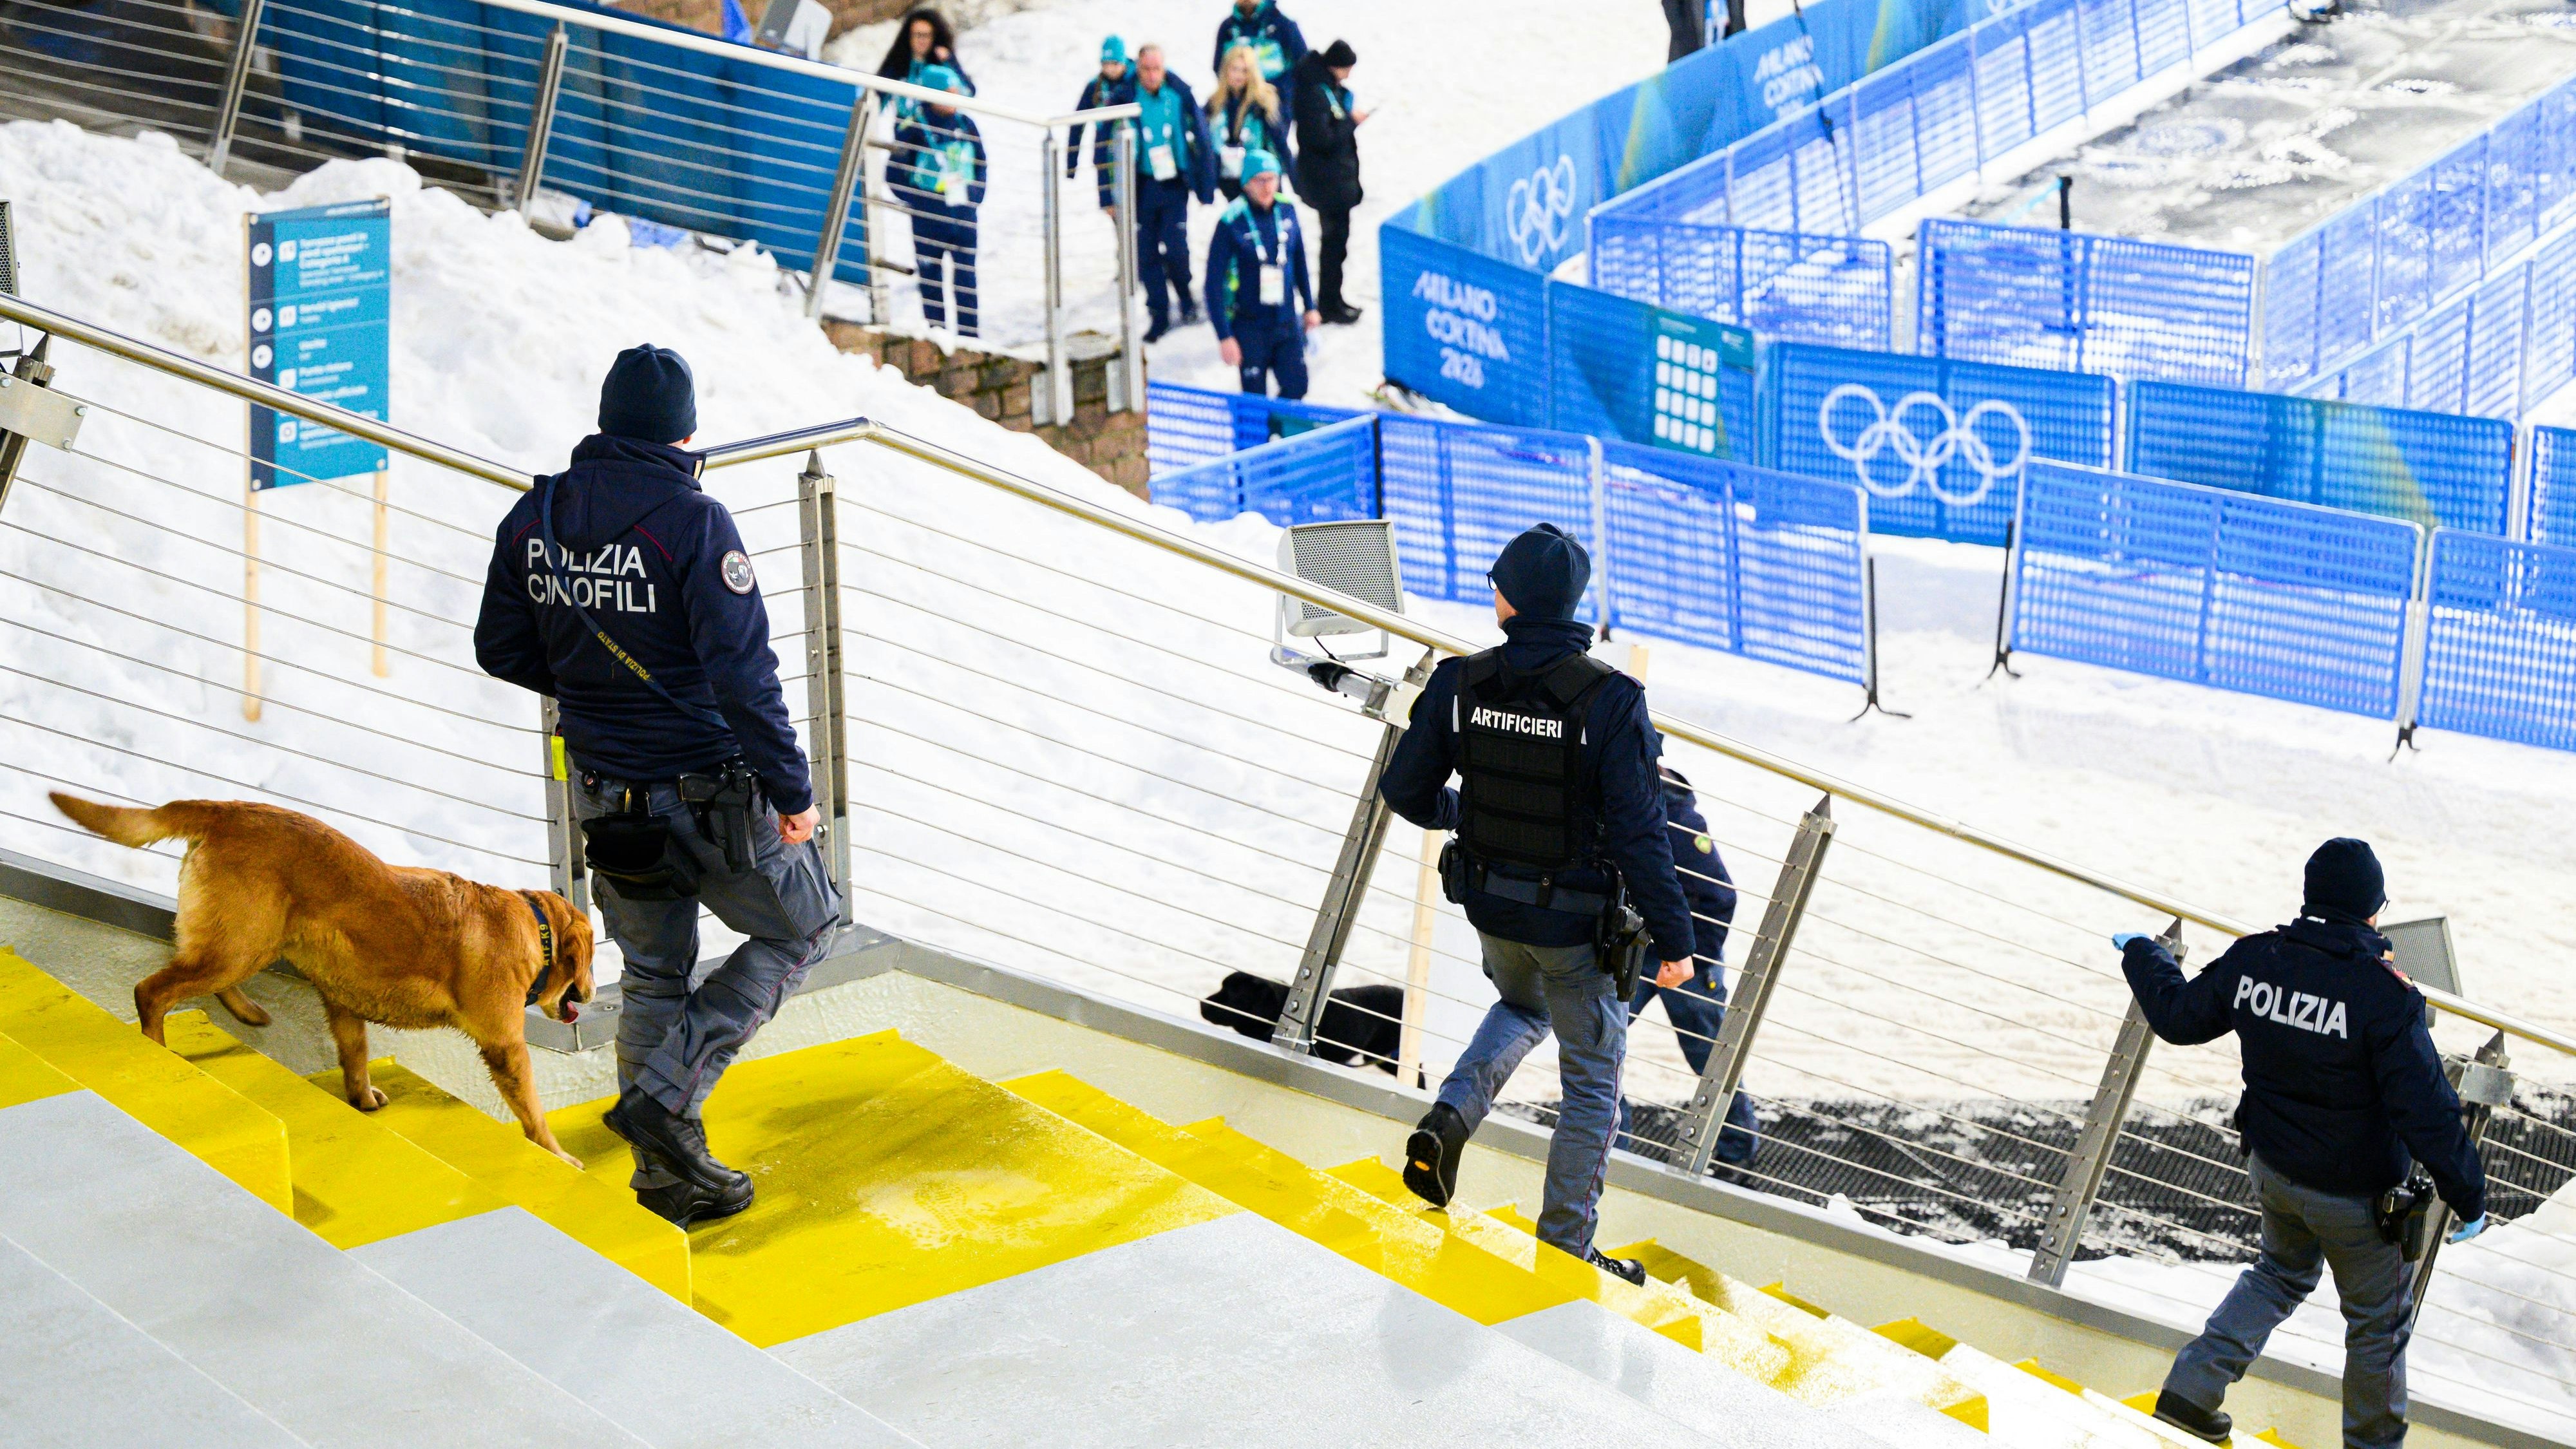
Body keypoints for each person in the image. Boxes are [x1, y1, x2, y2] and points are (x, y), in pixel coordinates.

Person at [473, 345, 840, 1229]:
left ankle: (666, 1179)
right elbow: (744, 678)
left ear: (605, 422)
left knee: (652, 974)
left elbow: (500, 646)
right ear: (684, 431)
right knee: (808, 923)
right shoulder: (694, 522)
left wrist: (598, 692)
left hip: (606, 790)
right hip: (710, 792)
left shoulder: (538, 515)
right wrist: (793, 792)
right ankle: (668, 1101)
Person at [1378, 524, 1696, 1285]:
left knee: (1523, 1006)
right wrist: (1677, 940)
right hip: (1576, 929)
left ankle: (1449, 1117)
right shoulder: (1612, 701)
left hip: (1492, 911)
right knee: (1593, 1082)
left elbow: (1406, 791)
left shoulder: (1461, 685)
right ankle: (1566, 1247)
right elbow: (1640, 831)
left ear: (1512, 600)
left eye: (1496, 583)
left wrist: (1465, 818)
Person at [2118, 838, 2487, 1449]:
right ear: (2374, 909)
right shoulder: (2385, 996)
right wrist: (2468, 1195)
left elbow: (2181, 1017)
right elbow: (2428, 1113)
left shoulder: (2257, 959)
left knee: (2278, 1276)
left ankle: (2190, 1391)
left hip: (2274, 1171)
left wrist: (2143, 955)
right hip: (2357, 1198)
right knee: (2377, 1327)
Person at [1618, 762, 1758, 1167]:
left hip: (1692, 960)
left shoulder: (1677, 815)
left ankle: (1737, 1161)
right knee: (1596, 1042)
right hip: (1637, 949)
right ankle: (1611, 1144)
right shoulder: (1625, 801)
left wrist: (1690, 959)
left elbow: (1721, 898)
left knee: (1711, 1063)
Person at [1206, 150, 1318, 399]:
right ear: (1246, 183)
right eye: (1260, 180)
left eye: (1272, 179)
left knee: (1297, 386)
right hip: (1250, 327)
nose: (1267, 186)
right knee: (1255, 401)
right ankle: (1260, 438)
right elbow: (1212, 285)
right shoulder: (1231, 221)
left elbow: (1299, 260)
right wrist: (1225, 337)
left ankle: (1280, 434)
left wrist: (1310, 307)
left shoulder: (1287, 209)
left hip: (1286, 322)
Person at [891, 65, 986, 337]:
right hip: (928, 221)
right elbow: (894, 174)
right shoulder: (912, 129)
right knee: (931, 281)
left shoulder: (966, 124)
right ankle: (937, 336)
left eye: (957, 93)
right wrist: (921, 202)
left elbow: (982, 164)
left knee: (966, 279)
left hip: (964, 217)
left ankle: (971, 338)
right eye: (948, 93)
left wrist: (974, 198)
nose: (954, 99)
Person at [1130, 44, 1215, 343]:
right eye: (1146, 69)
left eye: (1156, 69)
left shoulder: (1178, 95)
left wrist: (1205, 185)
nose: (1152, 75)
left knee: (1177, 246)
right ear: (1137, 70)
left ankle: (1186, 297)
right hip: (1142, 185)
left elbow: (1202, 139)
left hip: (1175, 183)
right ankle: (1159, 314)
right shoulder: (1127, 99)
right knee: (1147, 253)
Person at [1287, 39, 1365, 325]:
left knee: (1336, 245)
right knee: (1333, 245)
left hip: (1332, 180)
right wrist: (1350, 122)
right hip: (1327, 183)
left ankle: (1332, 298)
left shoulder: (1321, 86)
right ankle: (1329, 304)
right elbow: (1323, 139)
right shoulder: (1313, 94)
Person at [1206, 42, 1293, 203]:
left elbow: (1280, 142)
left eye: (1245, 70)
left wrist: (1295, 180)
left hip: (1261, 178)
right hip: (1230, 179)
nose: (1239, 75)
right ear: (1226, 70)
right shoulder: (1215, 103)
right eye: (1235, 69)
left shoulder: (1264, 102)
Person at [1066, 36, 1137, 215]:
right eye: (1106, 64)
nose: (1110, 69)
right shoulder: (1095, 87)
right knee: (1113, 211)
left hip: (1133, 154)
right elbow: (1077, 124)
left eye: (1115, 63)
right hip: (1105, 156)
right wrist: (1071, 164)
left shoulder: (1136, 79)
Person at [876, 6, 974, 121]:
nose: (922, 40)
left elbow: (969, 92)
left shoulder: (942, 64)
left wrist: (950, 61)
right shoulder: (898, 64)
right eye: (918, 35)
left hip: (938, 129)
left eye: (927, 35)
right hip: (908, 130)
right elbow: (877, 99)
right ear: (909, 36)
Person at [1211, 0, 1307, 113]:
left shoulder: (1284, 25)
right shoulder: (1227, 28)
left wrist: (1282, 91)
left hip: (1274, 108)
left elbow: (1303, 67)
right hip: (1235, 107)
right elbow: (1219, 67)